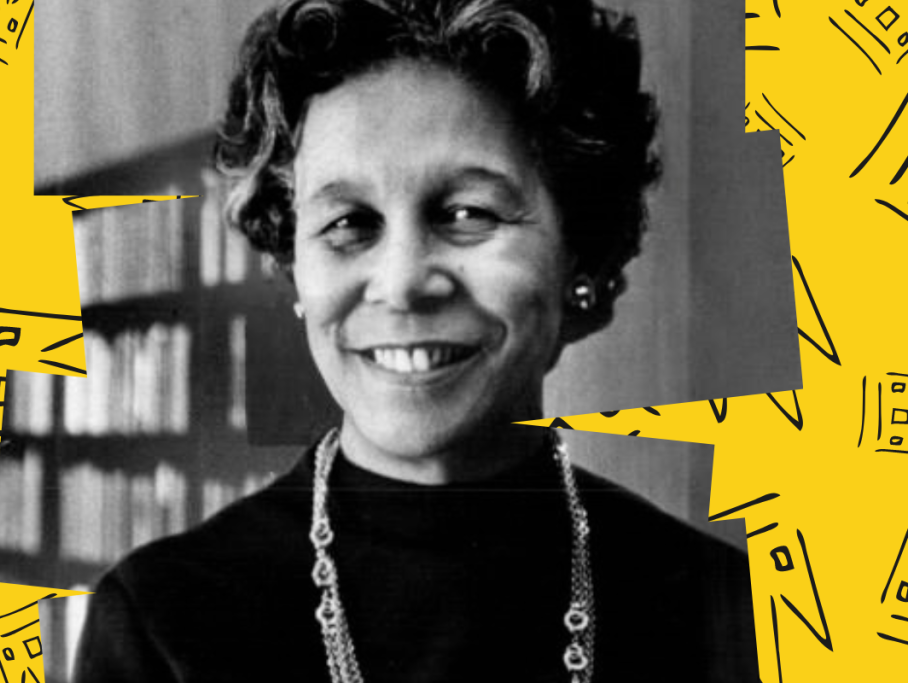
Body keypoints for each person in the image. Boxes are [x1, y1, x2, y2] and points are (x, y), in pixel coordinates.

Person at [74, 0, 758, 681]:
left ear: (581, 261)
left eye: (466, 213)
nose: (401, 283)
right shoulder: (162, 621)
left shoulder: (732, 615)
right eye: (349, 222)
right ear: (294, 267)